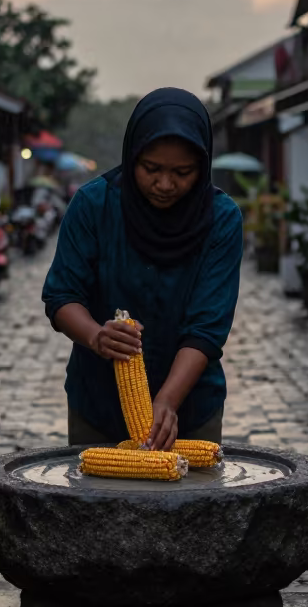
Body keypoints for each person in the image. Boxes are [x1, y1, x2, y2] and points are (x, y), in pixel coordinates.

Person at [42, 88, 243, 450]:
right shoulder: (93, 206)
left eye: (183, 172)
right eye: (151, 169)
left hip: (192, 409)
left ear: (203, 165)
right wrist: (95, 337)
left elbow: (207, 328)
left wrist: (167, 401)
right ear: (132, 155)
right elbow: (62, 296)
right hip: (98, 406)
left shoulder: (222, 219)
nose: (165, 185)